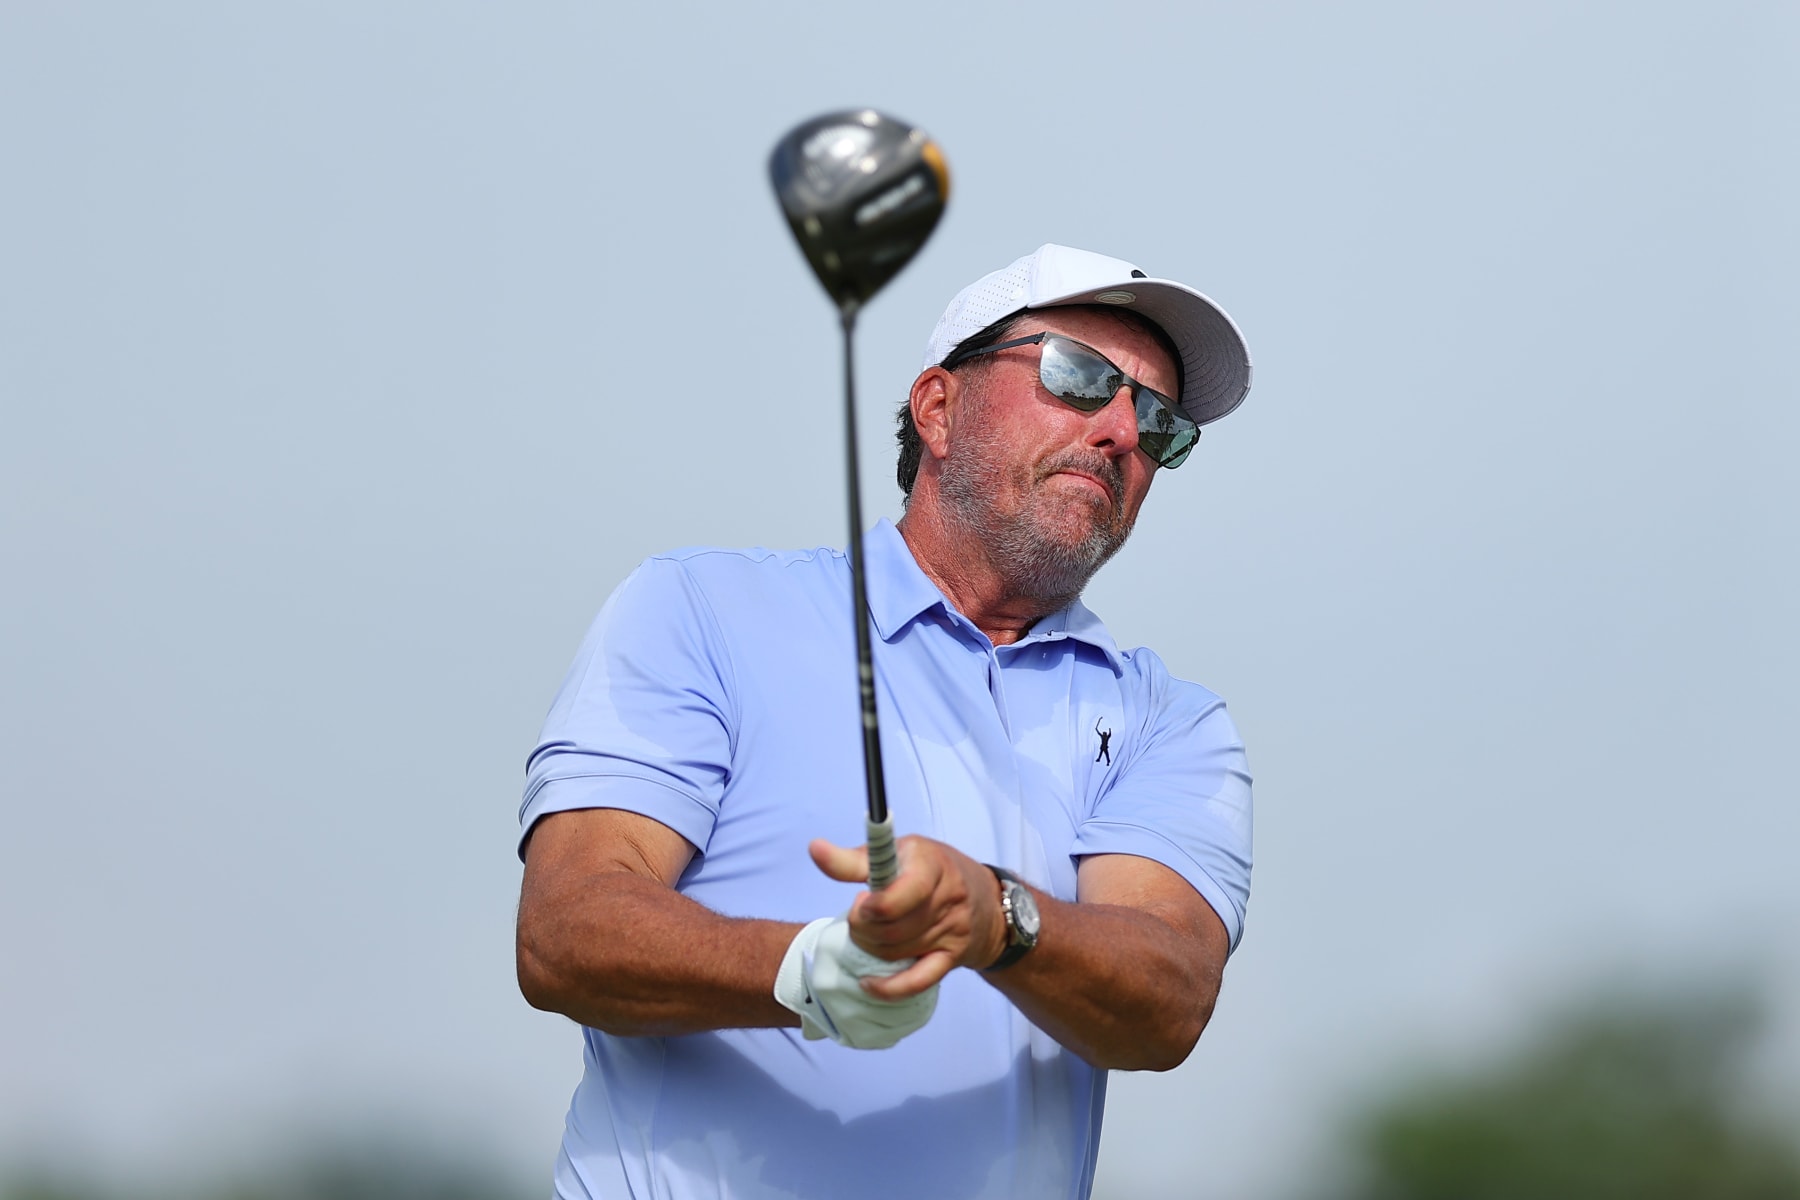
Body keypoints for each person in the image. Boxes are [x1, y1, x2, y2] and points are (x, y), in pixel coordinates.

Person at [515, 244, 1256, 1200]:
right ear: (938, 408)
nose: (1122, 429)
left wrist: (997, 918)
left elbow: (1169, 997)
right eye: (1078, 375)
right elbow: (566, 928)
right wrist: (803, 969)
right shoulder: (699, 608)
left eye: (1161, 421)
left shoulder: (1172, 722)